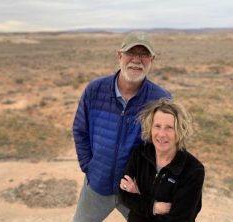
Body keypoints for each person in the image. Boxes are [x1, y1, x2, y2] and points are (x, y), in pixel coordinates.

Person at [72, 31, 171, 221]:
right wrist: (89, 167)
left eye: (143, 54)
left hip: (137, 190)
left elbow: (167, 144)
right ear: (120, 55)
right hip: (97, 187)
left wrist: (150, 180)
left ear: (152, 59)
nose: (136, 60)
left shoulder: (160, 99)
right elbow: (80, 130)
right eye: (131, 53)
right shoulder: (95, 90)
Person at [119, 98, 205, 222]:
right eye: (157, 126)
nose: (161, 134)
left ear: (180, 131)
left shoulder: (193, 170)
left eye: (169, 127)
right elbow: (124, 194)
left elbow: (181, 219)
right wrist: (154, 207)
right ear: (150, 128)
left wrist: (139, 198)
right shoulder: (140, 153)